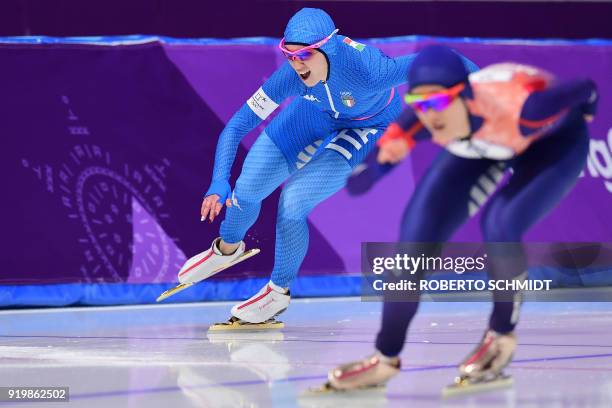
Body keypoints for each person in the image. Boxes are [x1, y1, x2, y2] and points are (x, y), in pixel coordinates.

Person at [175, 8, 479, 327]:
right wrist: (218, 181)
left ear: (328, 46)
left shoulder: (369, 70)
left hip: (366, 126)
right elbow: (237, 126)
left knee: (293, 202)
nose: (296, 63)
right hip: (314, 113)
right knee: (246, 189)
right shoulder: (290, 77)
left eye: (305, 54)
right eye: (289, 54)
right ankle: (227, 248)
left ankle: (277, 294)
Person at [325, 44, 598, 390]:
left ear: (464, 95)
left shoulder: (526, 109)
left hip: (553, 145)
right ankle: (385, 357)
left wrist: (589, 112)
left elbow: (586, 87)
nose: (429, 115)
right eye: (419, 104)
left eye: (437, 102)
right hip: (482, 141)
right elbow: (368, 175)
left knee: (500, 224)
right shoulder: (423, 119)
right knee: (411, 246)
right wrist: (371, 171)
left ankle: (500, 338)